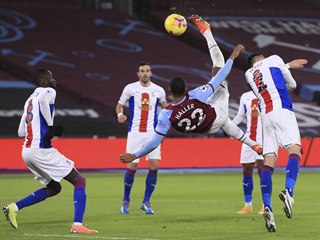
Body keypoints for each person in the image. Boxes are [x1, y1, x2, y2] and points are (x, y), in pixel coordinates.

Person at [120, 43, 264, 164]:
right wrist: (233, 56)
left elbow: (153, 143)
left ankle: (253, 145)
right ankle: (207, 33)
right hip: (215, 117)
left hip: (205, 130)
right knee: (218, 75)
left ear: (169, 90)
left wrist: (135, 155)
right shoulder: (195, 95)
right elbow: (221, 76)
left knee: (226, 122)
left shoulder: (166, 114)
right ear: (186, 89)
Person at [2, 69, 98, 234]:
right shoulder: (48, 91)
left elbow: (20, 132)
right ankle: (77, 225)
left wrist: (42, 129)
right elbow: (45, 104)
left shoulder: (29, 100)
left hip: (27, 151)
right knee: (79, 181)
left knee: (54, 188)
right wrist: (51, 126)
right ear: (44, 81)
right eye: (50, 77)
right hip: (40, 150)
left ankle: (14, 207)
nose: (54, 80)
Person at [245, 53, 307, 232]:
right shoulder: (274, 59)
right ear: (262, 57)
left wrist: (286, 65)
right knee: (295, 149)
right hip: (282, 109)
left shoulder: (249, 74)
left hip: (266, 116)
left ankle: (267, 207)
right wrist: (287, 67)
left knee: (269, 161)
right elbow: (293, 85)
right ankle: (289, 191)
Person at [115, 62, 167, 215]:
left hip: (153, 133)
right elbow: (119, 105)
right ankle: (126, 200)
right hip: (135, 133)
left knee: (154, 167)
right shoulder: (130, 88)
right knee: (132, 167)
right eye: (142, 71)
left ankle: (146, 202)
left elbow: (166, 107)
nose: (145, 73)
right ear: (138, 74)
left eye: (147, 71)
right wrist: (120, 115)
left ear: (150, 73)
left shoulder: (158, 90)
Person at [232, 90, 264, 215]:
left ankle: (265, 205)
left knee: (263, 170)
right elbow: (240, 116)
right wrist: (228, 125)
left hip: (265, 138)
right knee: (246, 169)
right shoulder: (245, 96)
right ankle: (248, 205)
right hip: (249, 138)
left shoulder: (269, 93)